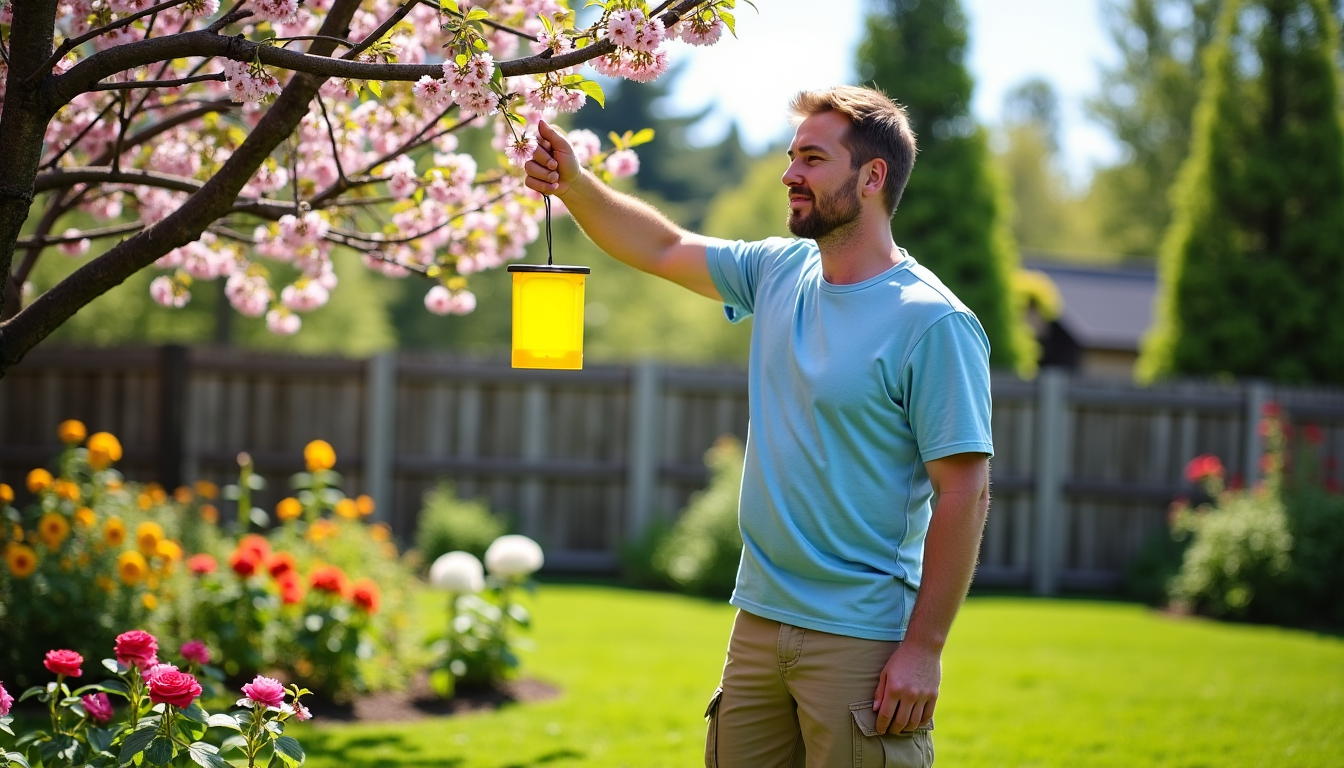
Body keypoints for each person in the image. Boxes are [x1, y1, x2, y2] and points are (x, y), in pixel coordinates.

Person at [524, 85, 992, 768]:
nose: (789, 174)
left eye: (811, 158)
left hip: (862, 639)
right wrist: (574, 184)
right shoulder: (779, 271)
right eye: (790, 156)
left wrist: (923, 650)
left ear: (872, 177)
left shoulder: (932, 322)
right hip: (758, 622)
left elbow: (965, 493)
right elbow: (663, 246)